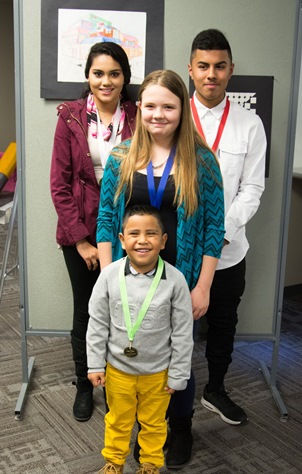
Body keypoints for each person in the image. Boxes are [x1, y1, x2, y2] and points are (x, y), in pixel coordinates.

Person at [96, 69, 225, 469]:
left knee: (177, 356)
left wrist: (202, 286)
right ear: (140, 108)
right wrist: (108, 278)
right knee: (130, 356)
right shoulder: (120, 157)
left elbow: (213, 227)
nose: (158, 114)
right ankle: (139, 428)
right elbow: (104, 220)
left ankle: (180, 426)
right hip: (129, 278)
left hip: (179, 278)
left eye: (168, 106)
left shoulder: (201, 161)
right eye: (150, 105)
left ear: (181, 109)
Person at [50, 41, 137, 423]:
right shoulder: (70, 116)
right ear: (88, 76)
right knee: (86, 310)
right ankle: (85, 385)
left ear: (124, 78)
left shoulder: (137, 114)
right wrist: (83, 240)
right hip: (81, 233)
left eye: (114, 73)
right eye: (98, 73)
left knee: (127, 311)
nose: (106, 81)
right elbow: (60, 185)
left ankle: (121, 385)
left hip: (128, 233)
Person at [188, 29, 266, 426]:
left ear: (231, 70)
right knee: (173, 330)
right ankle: (173, 406)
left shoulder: (250, 124)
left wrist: (221, 232)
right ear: (191, 69)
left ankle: (215, 389)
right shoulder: (173, 115)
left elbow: (253, 188)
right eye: (203, 66)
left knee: (223, 324)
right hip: (179, 252)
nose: (211, 74)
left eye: (219, 66)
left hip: (229, 250)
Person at [87, 204, 194, 474]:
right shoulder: (109, 276)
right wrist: (94, 365)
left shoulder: (175, 279)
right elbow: (97, 323)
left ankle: (150, 464)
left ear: (163, 241)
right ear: (122, 241)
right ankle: (114, 462)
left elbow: (182, 332)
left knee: (155, 423)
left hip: (158, 373)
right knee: (117, 421)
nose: (142, 240)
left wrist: (178, 374)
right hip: (119, 371)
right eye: (134, 233)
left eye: (151, 233)